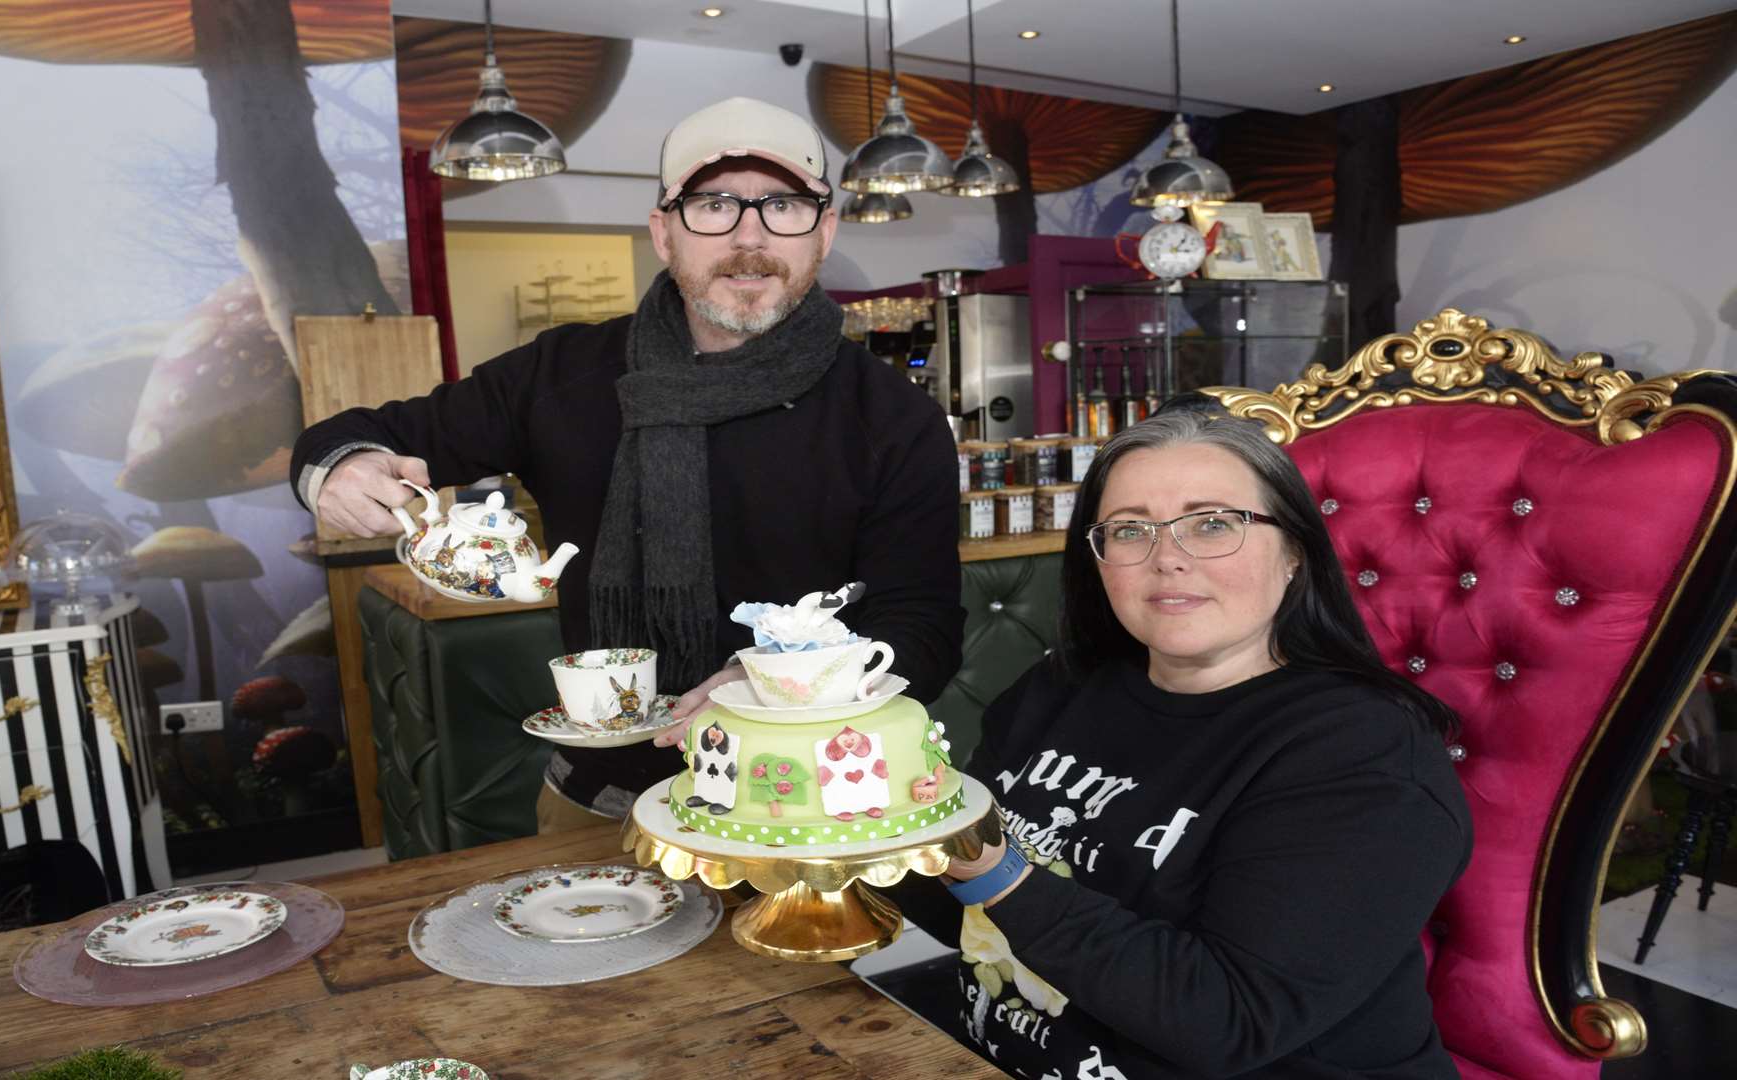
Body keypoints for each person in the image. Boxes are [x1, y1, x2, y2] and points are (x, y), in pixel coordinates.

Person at [291, 97, 963, 832]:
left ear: (824, 231)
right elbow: (362, 433)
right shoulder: (561, 375)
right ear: (664, 233)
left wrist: (777, 685)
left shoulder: (893, 417)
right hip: (601, 798)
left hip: (806, 798)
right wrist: (344, 466)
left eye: (784, 205)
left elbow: (923, 629)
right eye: (712, 205)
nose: (749, 237)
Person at [894, 408, 1471, 1078]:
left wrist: (994, 873)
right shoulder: (1063, 687)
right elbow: (960, 912)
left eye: (1213, 523)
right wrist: (852, 822)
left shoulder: (1364, 755)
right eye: (1130, 530)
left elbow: (1227, 1020)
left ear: (1295, 552)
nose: (1167, 558)